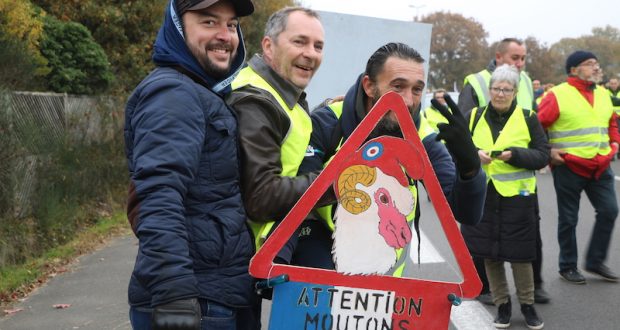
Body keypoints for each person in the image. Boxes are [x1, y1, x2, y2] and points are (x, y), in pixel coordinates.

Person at [293, 42, 487, 274]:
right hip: (319, 276)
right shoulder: (328, 121)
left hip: (385, 288)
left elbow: (467, 214)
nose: (407, 100)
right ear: (369, 86)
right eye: (398, 87)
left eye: (417, 90)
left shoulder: (424, 136)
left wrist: (470, 169)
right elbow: (296, 202)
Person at [124, 1, 259, 329]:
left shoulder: (201, 92)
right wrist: (174, 291)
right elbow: (158, 193)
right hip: (194, 302)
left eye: (231, 24)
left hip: (216, 295)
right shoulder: (173, 93)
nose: (225, 35)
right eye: (209, 22)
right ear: (178, 26)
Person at [226, 7, 328, 265]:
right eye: (299, 42)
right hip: (236, 257)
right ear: (269, 46)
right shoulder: (257, 102)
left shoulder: (280, 93)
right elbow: (261, 198)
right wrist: (334, 181)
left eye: (318, 46)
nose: (311, 54)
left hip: (244, 255)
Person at [458, 38, 549, 305]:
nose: (501, 93)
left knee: (524, 248)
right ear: (490, 89)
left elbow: (542, 153)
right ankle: (491, 294)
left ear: (514, 91)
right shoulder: (473, 110)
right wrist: (473, 156)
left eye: (507, 89)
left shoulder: (528, 116)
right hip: (483, 191)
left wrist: (517, 155)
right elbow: (457, 145)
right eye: (497, 89)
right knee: (485, 248)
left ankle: (531, 296)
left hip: (519, 195)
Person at [538, 50, 620, 284]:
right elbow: (536, 126)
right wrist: (548, 153)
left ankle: (595, 261)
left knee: (609, 211)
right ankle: (567, 266)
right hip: (569, 166)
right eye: (589, 64)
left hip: (601, 165)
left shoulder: (603, 94)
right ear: (574, 70)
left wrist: (614, 143)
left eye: (597, 63)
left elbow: (611, 123)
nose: (596, 68)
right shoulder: (557, 95)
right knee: (569, 219)